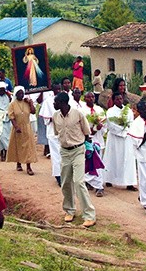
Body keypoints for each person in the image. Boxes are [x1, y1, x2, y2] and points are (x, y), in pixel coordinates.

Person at [52, 92, 97, 228]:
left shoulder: (78, 114)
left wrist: (88, 149)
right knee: (65, 182)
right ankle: (69, 210)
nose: (54, 104)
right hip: (65, 152)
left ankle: (89, 215)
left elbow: (86, 132)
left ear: (63, 103)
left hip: (78, 150)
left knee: (78, 182)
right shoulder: (55, 117)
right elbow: (56, 133)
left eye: (56, 102)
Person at [103, 92, 138, 191]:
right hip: (115, 137)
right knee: (112, 158)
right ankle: (109, 179)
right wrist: (121, 130)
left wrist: (126, 130)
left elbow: (131, 122)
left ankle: (129, 183)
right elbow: (111, 123)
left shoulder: (128, 111)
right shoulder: (110, 111)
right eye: (117, 99)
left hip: (126, 138)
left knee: (127, 159)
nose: (119, 101)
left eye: (121, 99)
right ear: (113, 100)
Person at [80, 92, 106, 197]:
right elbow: (81, 126)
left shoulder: (99, 110)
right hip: (88, 139)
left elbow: (105, 125)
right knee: (89, 161)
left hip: (98, 139)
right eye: (88, 97)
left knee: (98, 162)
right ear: (85, 98)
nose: (91, 99)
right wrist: (92, 130)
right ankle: (91, 182)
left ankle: (99, 185)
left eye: (92, 97)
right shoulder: (82, 111)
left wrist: (100, 127)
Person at [7, 86, 37, 175]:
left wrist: (31, 103)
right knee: (18, 146)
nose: (21, 95)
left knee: (28, 147)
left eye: (22, 93)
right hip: (17, 128)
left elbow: (33, 112)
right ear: (16, 94)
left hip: (27, 127)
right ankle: (18, 163)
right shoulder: (12, 104)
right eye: (19, 93)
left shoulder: (26, 102)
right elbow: (11, 117)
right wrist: (16, 127)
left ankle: (28, 167)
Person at [39, 84, 62, 186]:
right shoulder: (48, 101)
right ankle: (58, 176)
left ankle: (67, 175)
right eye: (56, 89)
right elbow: (46, 119)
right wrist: (55, 118)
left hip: (64, 132)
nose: (58, 90)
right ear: (52, 90)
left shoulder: (65, 99)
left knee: (64, 155)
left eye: (59, 89)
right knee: (56, 155)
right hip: (53, 132)